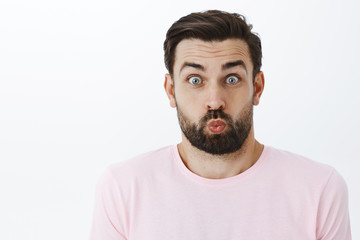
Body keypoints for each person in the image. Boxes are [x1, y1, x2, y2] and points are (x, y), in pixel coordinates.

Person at [89, 10, 351, 240]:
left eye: (232, 79)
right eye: (195, 80)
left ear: (257, 87)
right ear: (171, 91)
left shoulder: (319, 189)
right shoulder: (123, 189)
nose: (214, 101)